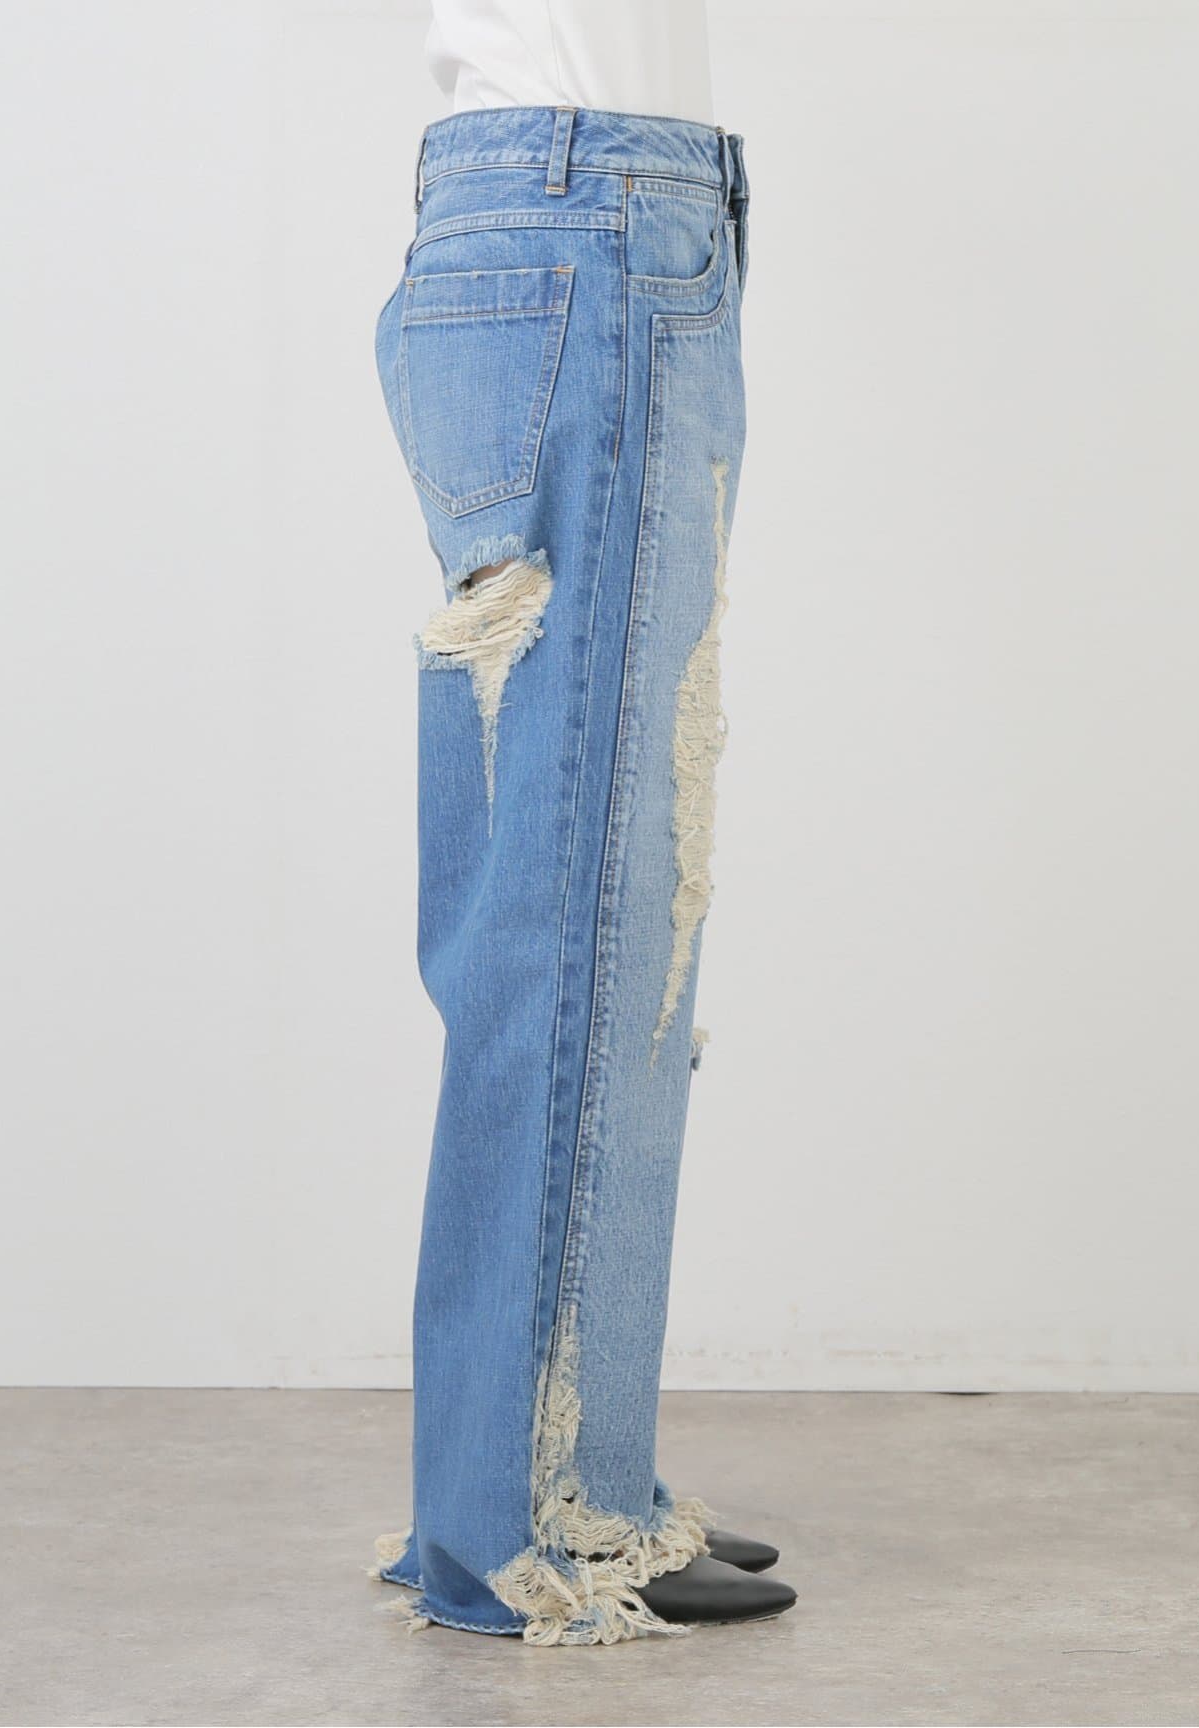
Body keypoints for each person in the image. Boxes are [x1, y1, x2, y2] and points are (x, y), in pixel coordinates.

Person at [367, 0, 796, 1644]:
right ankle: (535, 1521)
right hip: (591, 227)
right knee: (584, 912)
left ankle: (557, 1480)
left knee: (588, 901)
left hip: (576, 222)